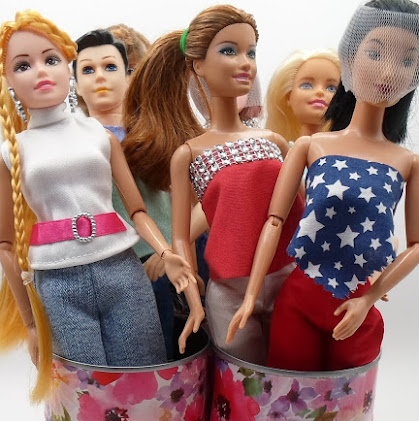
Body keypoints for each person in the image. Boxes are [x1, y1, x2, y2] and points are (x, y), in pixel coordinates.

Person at [0, 10, 195, 400]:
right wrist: (31, 325)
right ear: (8, 82)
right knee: (86, 392)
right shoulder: (12, 152)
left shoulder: (98, 135)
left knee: (144, 376)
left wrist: (165, 252)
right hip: (56, 282)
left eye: (51, 59)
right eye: (23, 65)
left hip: (120, 267)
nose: (40, 71)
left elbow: (137, 211)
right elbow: (5, 246)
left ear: (68, 69)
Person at [227, 0, 419, 372]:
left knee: (345, 400)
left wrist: (370, 298)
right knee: (287, 394)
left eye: (407, 61)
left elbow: (416, 245)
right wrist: (250, 296)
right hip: (299, 299)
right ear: (350, 56)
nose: (388, 70)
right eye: (375, 53)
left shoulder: (407, 161)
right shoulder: (311, 146)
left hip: (355, 309)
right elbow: (273, 222)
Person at [132, 4, 303, 364]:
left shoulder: (275, 142)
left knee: (291, 370)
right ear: (198, 65)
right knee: (240, 376)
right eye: (229, 51)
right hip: (230, 289)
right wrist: (193, 300)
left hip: (289, 277)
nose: (245, 63)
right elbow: (182, 237)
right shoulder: (189, 153)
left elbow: (303, 215)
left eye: (251, 52)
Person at [266, 48, 340, 144]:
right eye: (306, 86)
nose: (320, 92)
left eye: (331, 88)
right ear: (288, 96)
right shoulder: (281, 148)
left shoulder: (343, 150)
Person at [73, 29, 129, 141]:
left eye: (110, 67)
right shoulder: (74, 140)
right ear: (77, 85)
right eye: (88, 70)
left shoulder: (151, 138)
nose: (100, 76)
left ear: (127, 78)